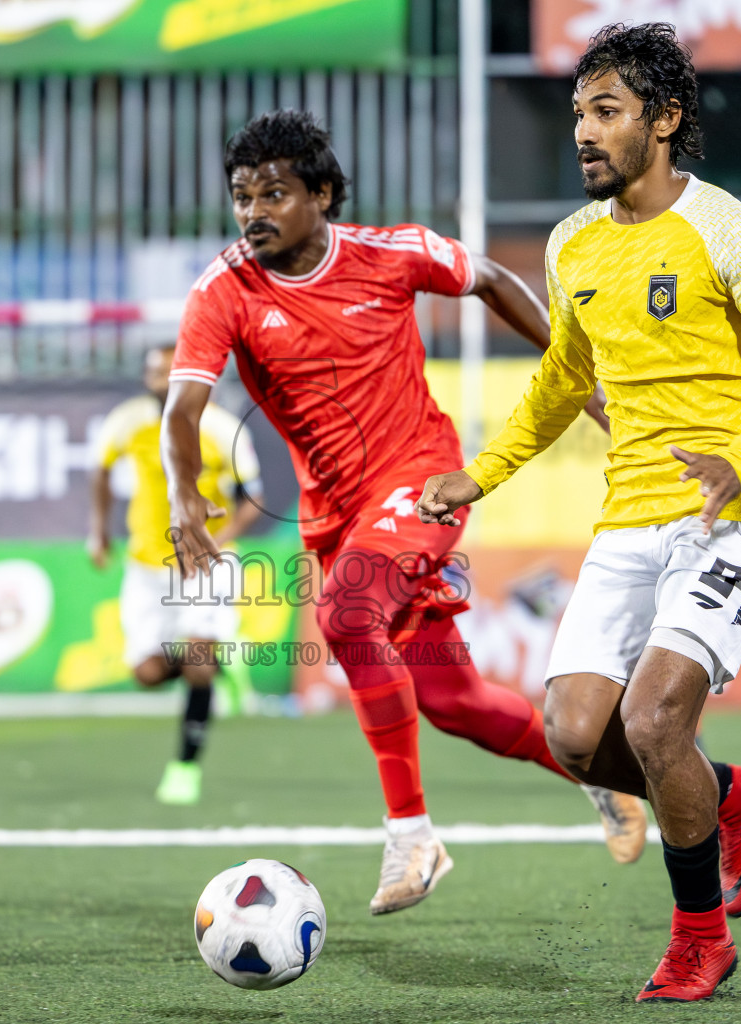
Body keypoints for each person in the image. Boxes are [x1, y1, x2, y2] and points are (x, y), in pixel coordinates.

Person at [418, 24, 741, 1002]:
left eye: (607, 111)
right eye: (578, 115)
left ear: (666, 118)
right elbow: (563, 380)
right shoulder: (572, 245)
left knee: (652, 722)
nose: (585, 134)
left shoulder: (728, 229)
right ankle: (740, 795)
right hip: (629, 521)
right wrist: (484, 473)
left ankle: (701, 938)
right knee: (572, 734)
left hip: (733, 515)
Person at [162, 109, 649, 916]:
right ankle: (613, 771)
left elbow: (489, 277)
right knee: (453, 701)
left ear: (322, 196)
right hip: (338, 515)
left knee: (348, 616)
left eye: (274, 193)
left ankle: (412, 834)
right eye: (242, 195)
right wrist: (184, 492)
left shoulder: (390, 255)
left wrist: (583, 384)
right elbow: (183, 408)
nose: (254, 212)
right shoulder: (225, 289)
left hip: (420, 479)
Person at [89, 343, 263, 806]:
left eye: (169, 372)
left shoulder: (221, 428)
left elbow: (252, 498)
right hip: (147, 566)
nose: (160, 381)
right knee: (147, 673)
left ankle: (185, 767)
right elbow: (100, 472)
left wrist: (215, 542)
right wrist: (98, 532)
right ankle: (228, 663)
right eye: (153, 372)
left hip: (205, 561)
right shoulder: (127, 422)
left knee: (196, 660)